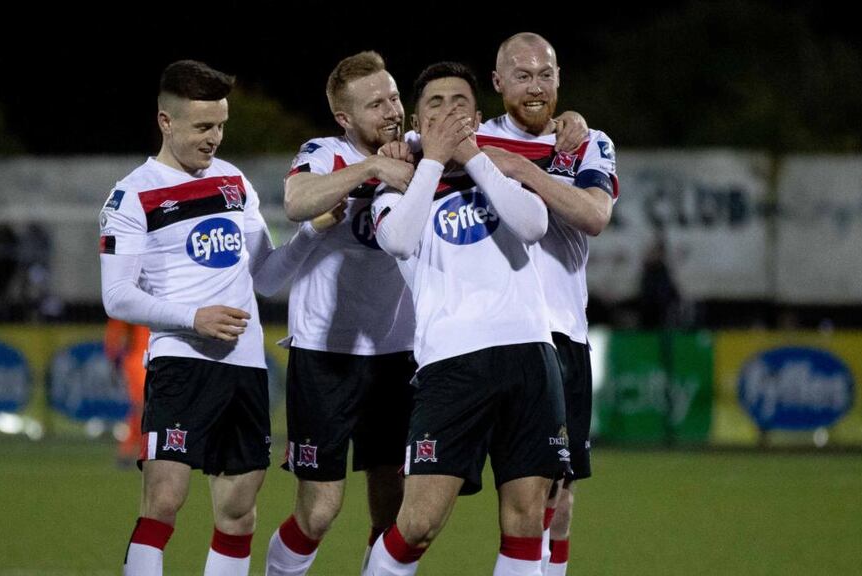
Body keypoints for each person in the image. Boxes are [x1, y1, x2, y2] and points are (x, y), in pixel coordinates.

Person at [99, 59, 328, 576]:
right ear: (166, 121)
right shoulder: (132, 195)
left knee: (239, 514)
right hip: (182, 363)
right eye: (203, 126)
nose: (215, 138)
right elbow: (116, 297)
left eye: (221, 125)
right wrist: (192, 319)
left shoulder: (233, 182)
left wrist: (313, 232)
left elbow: (266, 276)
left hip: (245, 369)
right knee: (163, 503)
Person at [364, 61, 567, 576]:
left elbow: (533, 224)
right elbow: (399, 240)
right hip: (451, 365)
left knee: (525, 518)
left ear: (478, 116)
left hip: (530, 355)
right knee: (419, 522)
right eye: (436, 103)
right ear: (416, 118)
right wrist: (431, 160)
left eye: (460, 103)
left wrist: (473, 156)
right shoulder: (399, 181)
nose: (449, 112)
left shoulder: (499, 168)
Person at [264, 51, 417, 576]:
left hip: (399, 352)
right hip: (325, 356)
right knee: (320, 510)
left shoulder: (423, 151)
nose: (392, 111)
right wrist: (372, 167)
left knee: (394, 505)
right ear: (344, 119)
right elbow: (295, 201)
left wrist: (569, 123)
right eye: (375, 104)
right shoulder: (324, 153)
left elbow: (493, 138)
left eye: (394, 96)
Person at [477, 32, 618, 576]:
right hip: (487, 338)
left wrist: (526, 171)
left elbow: (595, 215)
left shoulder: (588, 142)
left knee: (556, 497)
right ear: (498, 82)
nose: (535, 87)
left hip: (561, 336)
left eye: (545, 75)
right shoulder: (473, 138)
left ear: (559, 79)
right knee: (509, 497)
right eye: (522, 75)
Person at [104, 318, 149, 466]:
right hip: (139, 360)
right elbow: (117, 326)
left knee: (143, 408)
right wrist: (113, 356)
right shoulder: (136, 297)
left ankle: (130, 450)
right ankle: (137, 450)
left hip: (159, 357)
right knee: (142, 407)